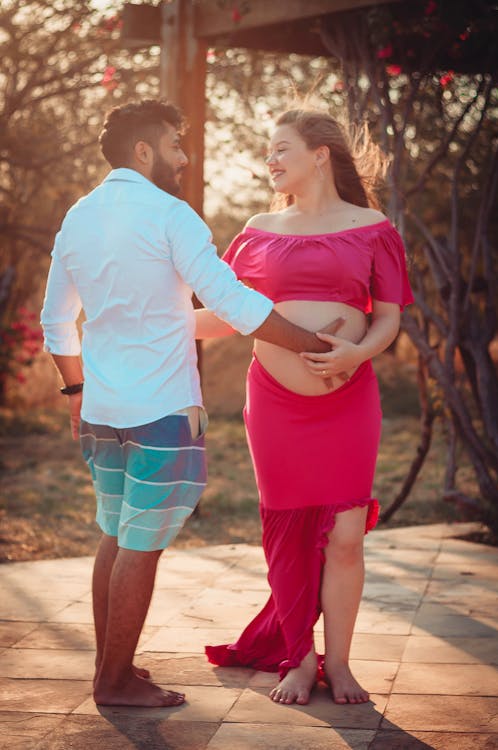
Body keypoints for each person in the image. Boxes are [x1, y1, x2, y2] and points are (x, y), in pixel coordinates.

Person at [40, 100, 343, 709]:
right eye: (175, 146)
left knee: (115, 532)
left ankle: (113, 667)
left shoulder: (79, 215)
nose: (184, 157)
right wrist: (318, 345)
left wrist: (75, 392)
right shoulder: (170, 215)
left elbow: (54, 321)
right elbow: (231, 301)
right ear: (143, 151)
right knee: (141, 543)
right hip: (162, 411)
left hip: (102, 410)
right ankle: (114, 681)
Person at [204, 108, 413, 706]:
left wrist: (356, 354)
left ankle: (340, 664)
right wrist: (138, 322)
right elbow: (225, 314)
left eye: (280, 149)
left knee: (347, 536)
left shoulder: (373, 227)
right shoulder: (258, 228)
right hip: (273, 406)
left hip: (350, 400)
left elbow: (389, 317)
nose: (270, 161)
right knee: (288, 532)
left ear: (320, 153)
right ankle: (298, 660)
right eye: (268, 152)